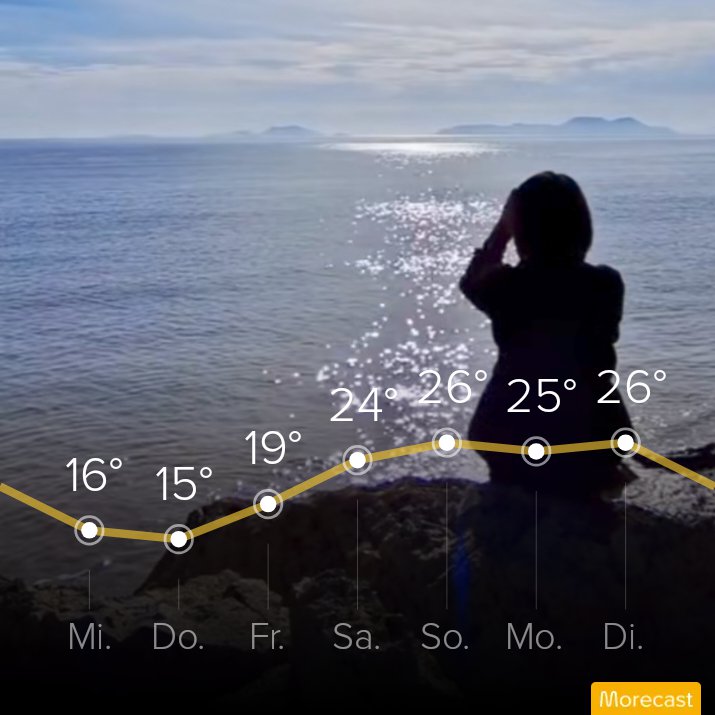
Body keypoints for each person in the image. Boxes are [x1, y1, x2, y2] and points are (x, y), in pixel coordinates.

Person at [459, 171, 634, 498]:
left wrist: (502, 231)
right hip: (593, 434)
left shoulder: (506, 288)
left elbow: (471, 282)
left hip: (507, 435)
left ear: (521, 229)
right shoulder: (605, 285)